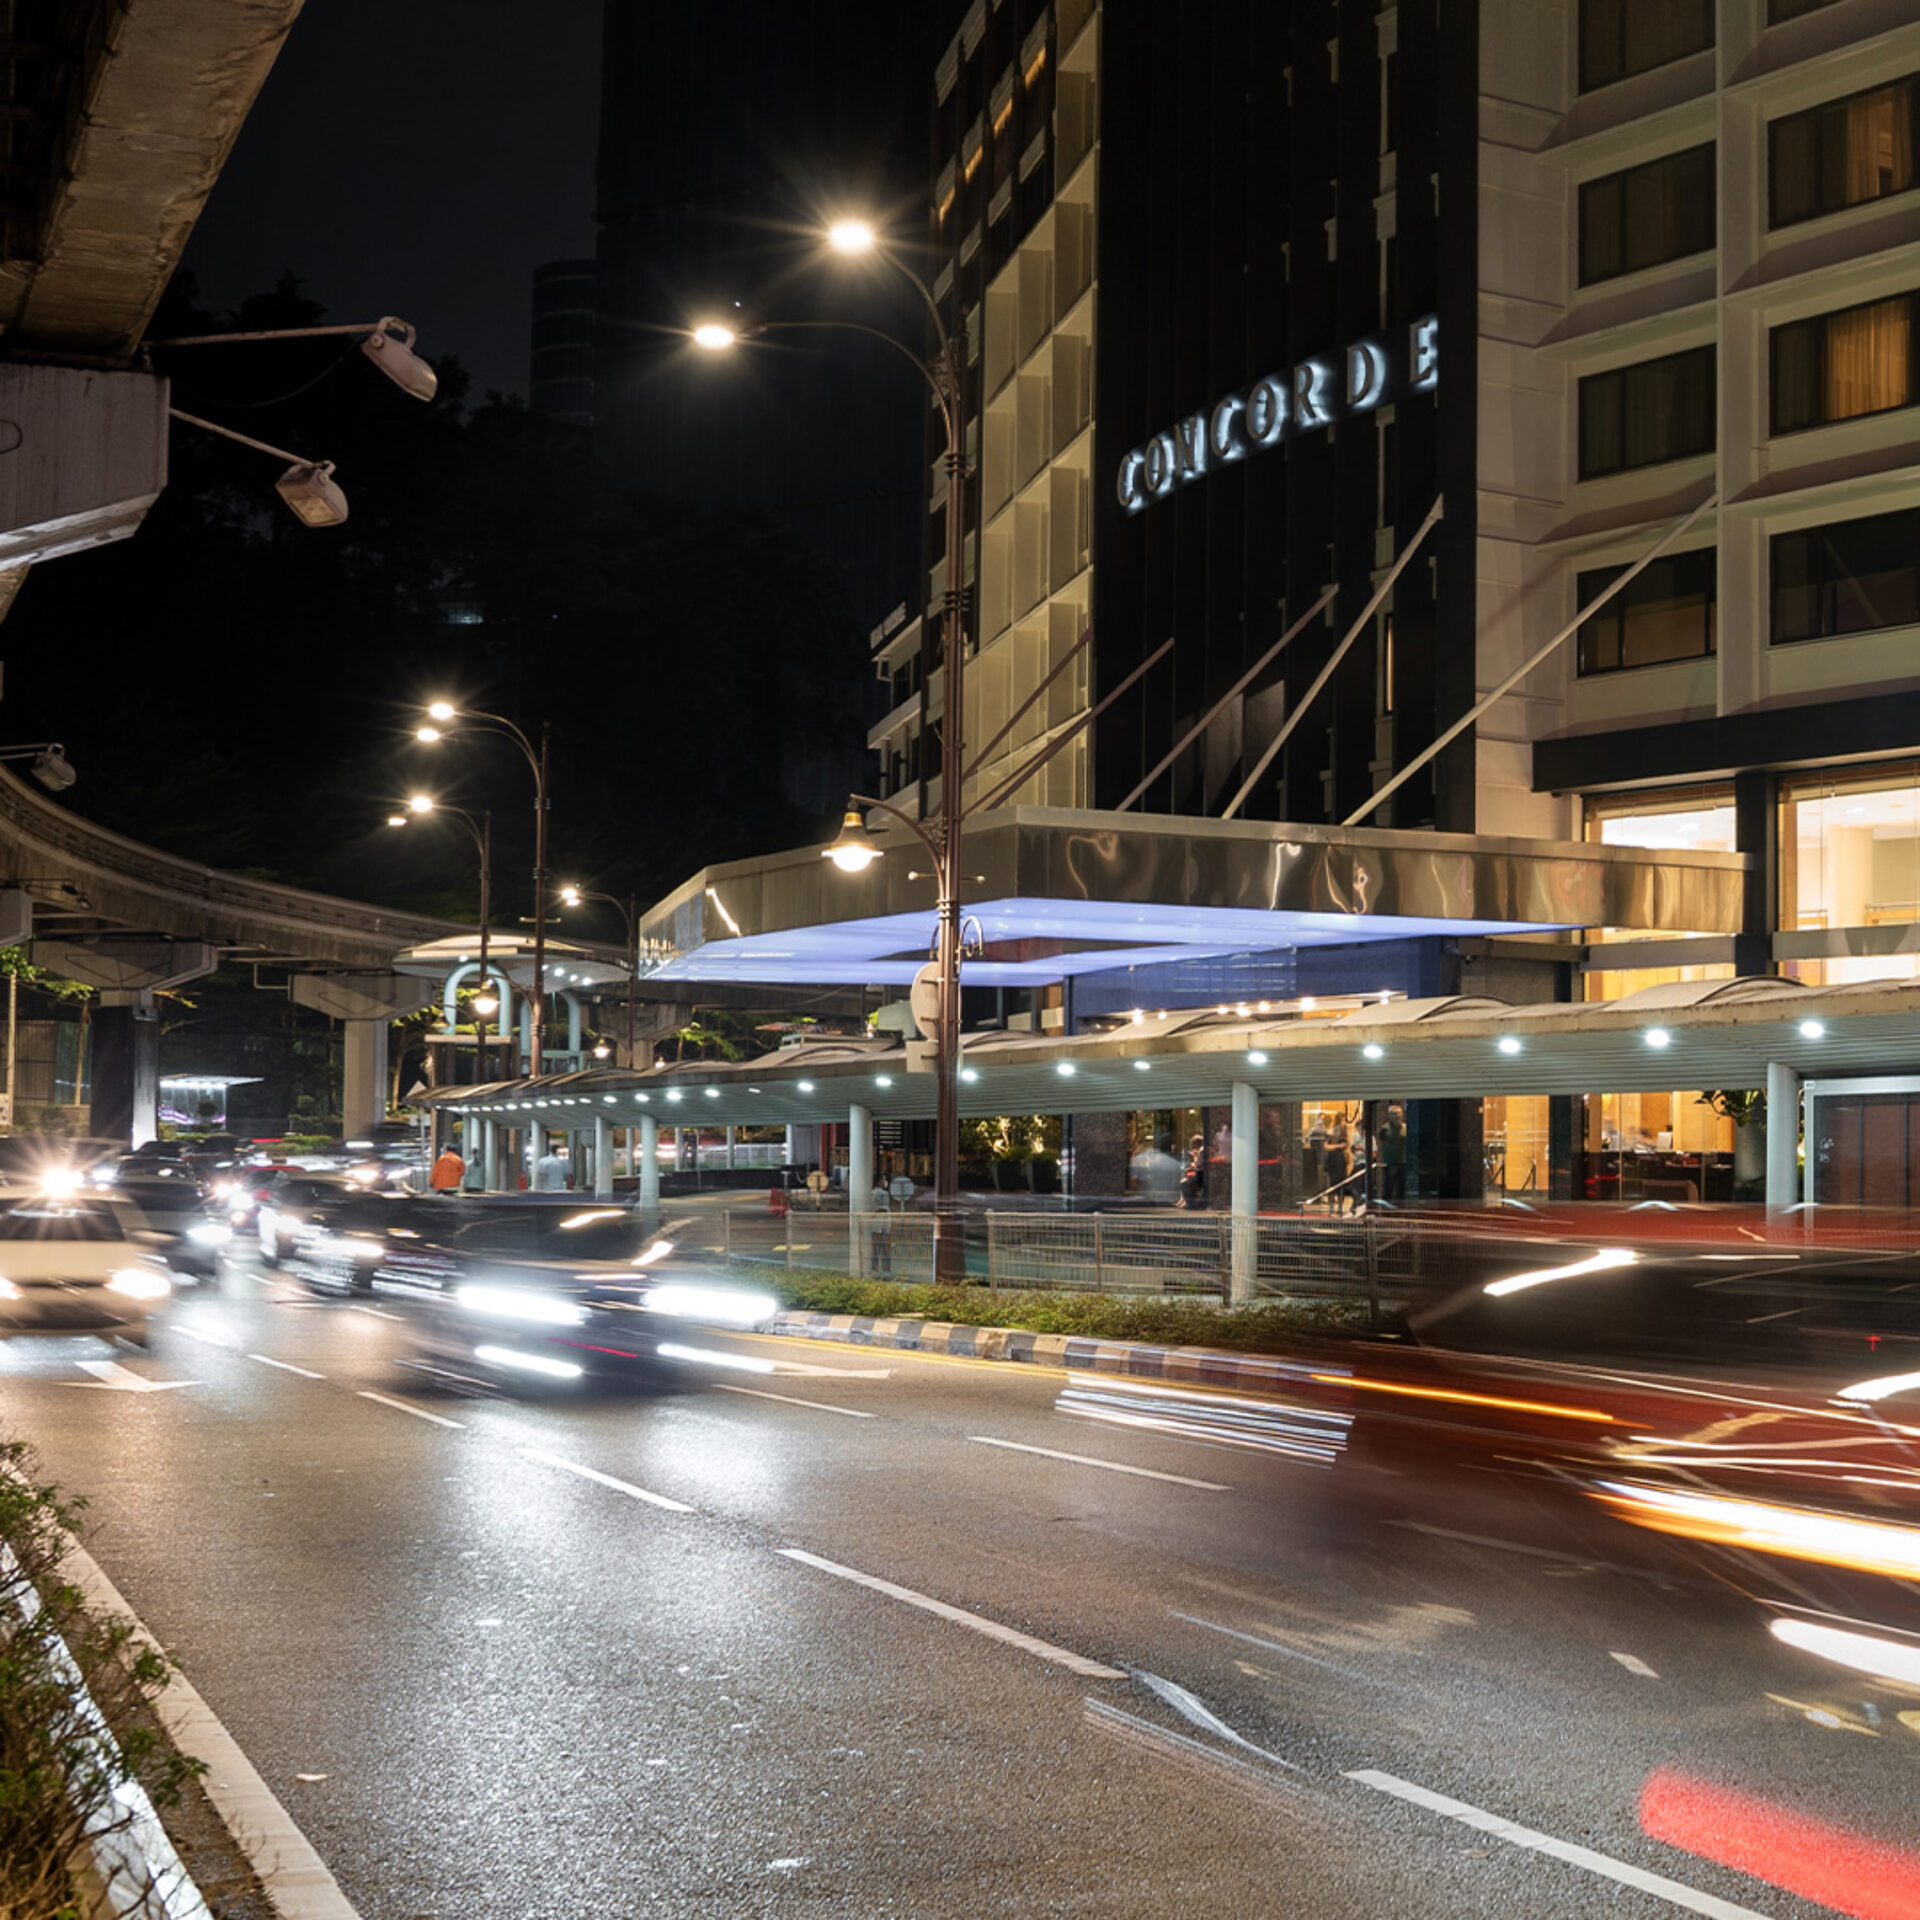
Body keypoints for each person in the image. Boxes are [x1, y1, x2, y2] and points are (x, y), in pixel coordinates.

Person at [1378, 1105, 1407, 1204]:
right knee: (1389, 1185)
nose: (1397, 1116)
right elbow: (1381, 1142)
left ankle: (1401, 1205)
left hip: (1403, 1161)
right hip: (1391, 1161)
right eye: (1394, 1114)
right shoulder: (1385, 1129)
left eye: (1399, 1113)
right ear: (1389, 1116)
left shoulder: (1405, 1128)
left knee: (1402, 1187)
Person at [1323, 1119, 1351, 1213]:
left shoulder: (1344, 1135)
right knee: (1332, 1184)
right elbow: (1326, 1146)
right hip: (1332, 1161)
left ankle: (1339, 1206)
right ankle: (1331, 1207)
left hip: (1340, 1162)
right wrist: (1337, 1146)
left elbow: (1345, 1145)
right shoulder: (1331, 1134)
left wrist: (1336, 1146)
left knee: (1341, 1183)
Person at [1177, 1133, 1206, 1209]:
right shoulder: (1201, 1149)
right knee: (1184, 1178)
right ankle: (1184, 1201)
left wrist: (1194, 1160)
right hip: (1200, 1173)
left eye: (1194, 1144)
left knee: (1184, 1183)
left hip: (1201, 1174)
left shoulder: (1202, 1150)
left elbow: (1199, 1164)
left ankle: (1190, 1203)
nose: (1194, 1146)